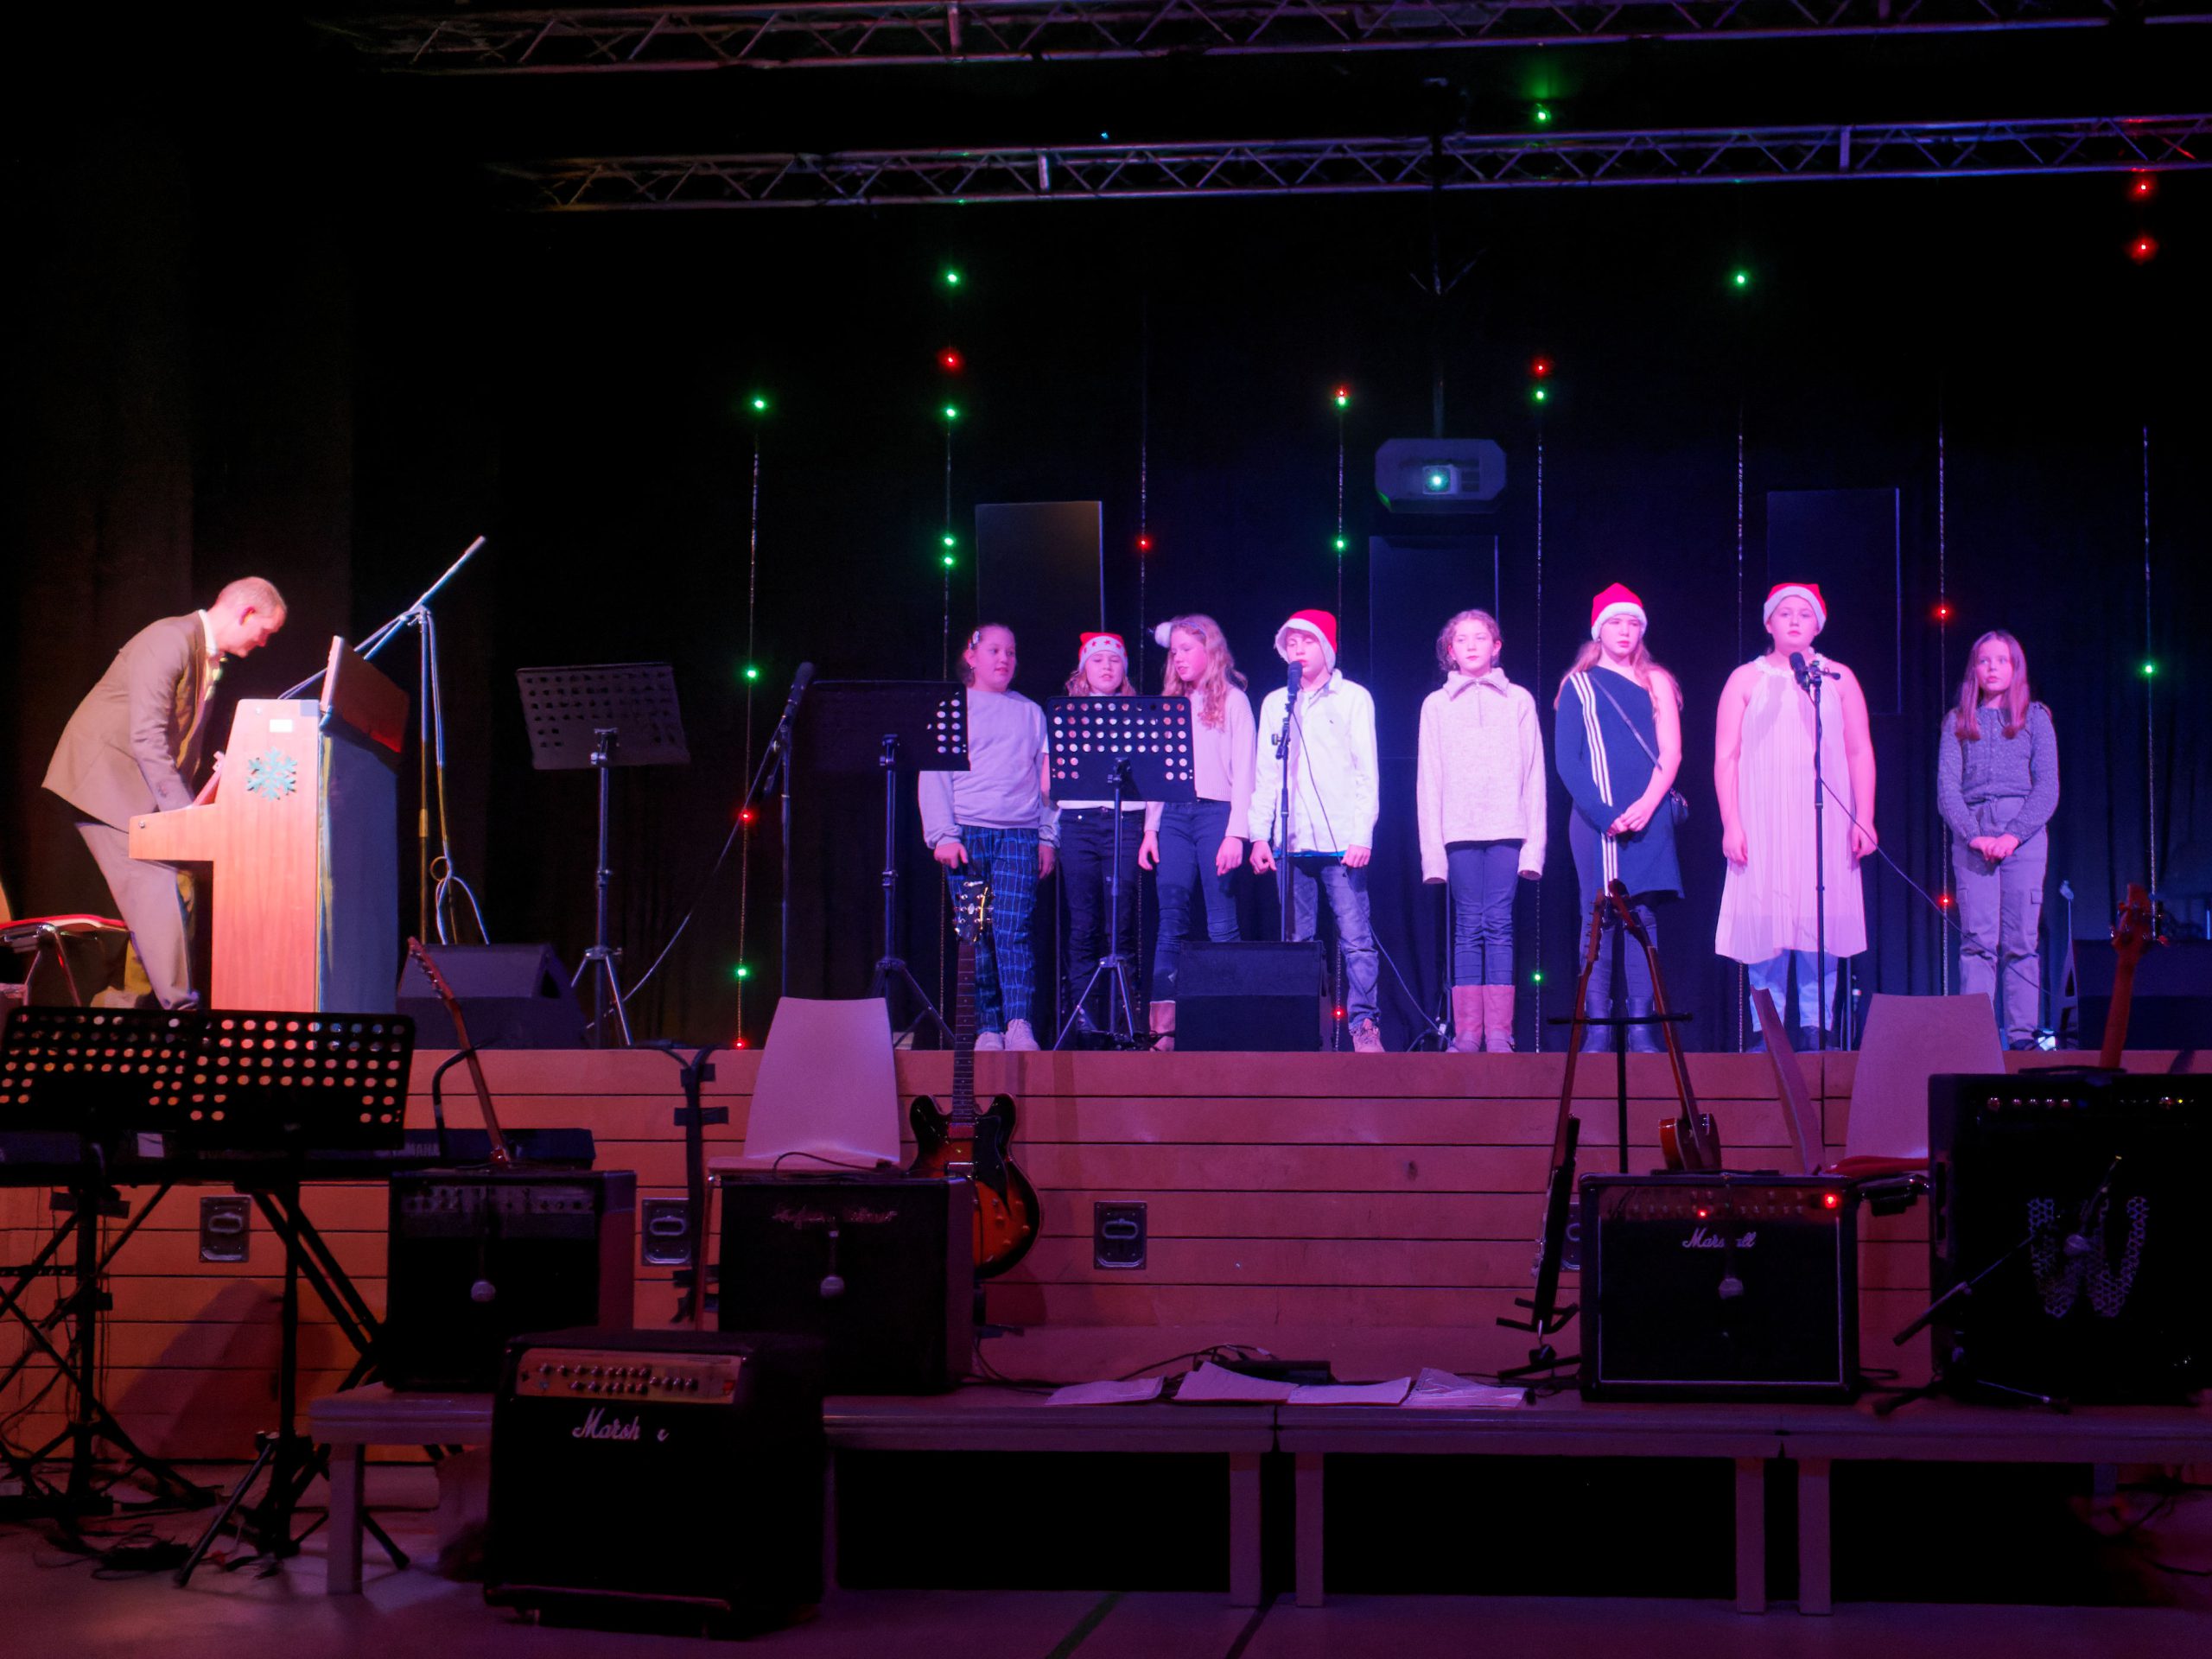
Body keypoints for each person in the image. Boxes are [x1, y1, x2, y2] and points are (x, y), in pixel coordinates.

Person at [42, 577, 288, 1010]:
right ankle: (180, 1011)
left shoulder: (205, 654)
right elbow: (147, 739)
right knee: (155, 884)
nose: (265, 642)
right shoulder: (169, 640)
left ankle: (126, 1010)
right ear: (246, 613)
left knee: (187, 882)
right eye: (265, 631)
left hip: (139, 790)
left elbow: (179, 746)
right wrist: (182, 818)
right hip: (105, 784)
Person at [1714, 582, 1875, 1051]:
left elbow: (1859, 750)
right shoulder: (1745, 679)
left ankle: (1815, 1028)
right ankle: (1767, 1029)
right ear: (1769, 623)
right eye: (1785, 613)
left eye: (1804, 614)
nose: (1794, 620)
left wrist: (1864, 816)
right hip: (1762, 818)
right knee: (1766, 920)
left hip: (1823, 820)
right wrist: (1731, 822)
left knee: (1818, 920)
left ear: (1818, 625)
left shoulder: (1838, 678)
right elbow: (1726, 755)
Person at [1554, 583, 1684, 1053]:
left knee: (1641, 916)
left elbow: (1670, 752)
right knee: (1598, 916)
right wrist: (1604, 814)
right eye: (1615, 622)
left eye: (1632, 623)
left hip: (1648, 814)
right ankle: (1597, 1028)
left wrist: (1648, 804)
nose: (1625, 631)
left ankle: (1642, 1026)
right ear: (1599, 630)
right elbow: (1568, 761)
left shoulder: (1657, 681)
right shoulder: (1578, 685)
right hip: (1594, 820)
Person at [1248, 609, 1384, 1052]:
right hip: (1291, 842)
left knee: (1356, 940)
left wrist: (1362, 834)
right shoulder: (1276, 703)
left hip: (1342, 842)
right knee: (1295, 943)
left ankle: (1364, 1025)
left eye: (1307, 641)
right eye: (1291, 643)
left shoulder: (1353, 698)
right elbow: (1266, 776)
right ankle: (1305, 1028)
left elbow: (1366, 772)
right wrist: (1259, 835)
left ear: (1326, 647)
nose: (1298, 649)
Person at [919, 624, 1058, 1051]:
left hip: (1019, 833)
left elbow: (1048, 782)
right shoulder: (952, 707)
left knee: (1014, 929)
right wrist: (943, 835)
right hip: (968, 833)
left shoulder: (1030, 712)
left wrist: (1048, 836)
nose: (1004, 659)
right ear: (972, 655)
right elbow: (934, 774)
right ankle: (987, 1026)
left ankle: (1019, 1022)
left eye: (1011, 652)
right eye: (995, 650)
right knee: (973, 933)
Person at [1417, 608, 1547, 1052]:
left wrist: (1533, 849)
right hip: (1459, 832)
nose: (1471, 645)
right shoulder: (1436, 705)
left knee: (1499, 925)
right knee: (1469, 926)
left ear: (1496, 647)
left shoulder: (1519, 700)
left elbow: (1534, 777)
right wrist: (1433, 855)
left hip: (1508, 828)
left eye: (1480, 637)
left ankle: (1500, 1033)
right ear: (1450, 651)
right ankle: (1468, 1032)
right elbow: (1428, 781)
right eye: (1462, 639)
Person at [1936, 630, 2058, 1049]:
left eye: (2001, 660)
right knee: (1977, 940)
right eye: (1984, 660)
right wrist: (1975, 836)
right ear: (1974, 668)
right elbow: (1948, 790)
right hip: (1974, 832)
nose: (1992, 668)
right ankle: (1976, 1038)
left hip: (2023, 833)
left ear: (2015, 667)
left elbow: (2047, 788)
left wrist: (2013, 835)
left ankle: (2023, 1037)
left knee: (2021, 940)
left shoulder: (2035, 718)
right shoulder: (1957, 721)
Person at [1138, 615, 1255, 1052]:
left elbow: (1245, 773)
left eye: (1187, 649)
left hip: (1215, 815)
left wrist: (1236, 833)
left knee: (1221, 922)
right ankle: (1163, 1032)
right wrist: (1151, 828)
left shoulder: (1235, 701)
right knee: (1170, 920)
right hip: (1173, 817)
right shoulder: (1170, 704)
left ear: (1211, 651)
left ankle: (1229, 1026)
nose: (1179, 658)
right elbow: (1157, 773)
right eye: (1175, 652)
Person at [1051, 632, 1146, 1038]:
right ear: (1083, 670)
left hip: (1125, 822)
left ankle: (1124, 1025)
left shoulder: (1141, 714)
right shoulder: (1066, 714)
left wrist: (1151, 830)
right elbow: (1048, 781)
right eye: (1097, 660)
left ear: (1124, 668)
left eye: (1114, 660)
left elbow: (1157, 778)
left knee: (1121, 926)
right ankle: (1086, 1024)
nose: (1106, 666)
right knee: (1084, 926)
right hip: (1078, 825)